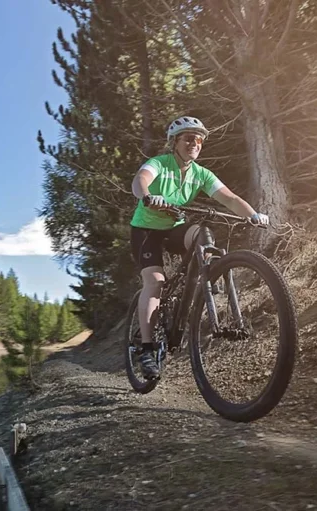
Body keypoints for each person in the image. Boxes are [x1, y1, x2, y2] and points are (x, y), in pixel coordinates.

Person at [129, 115, 270, 379]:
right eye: (188, 139)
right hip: (146, 230)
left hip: (174, 227)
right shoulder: (160, 163)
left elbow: (229, 198)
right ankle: (146, 349)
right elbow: (140, 180)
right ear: (174, 142)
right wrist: (148, 196)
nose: (194, 143)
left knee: (203, 234)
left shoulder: (201, 173)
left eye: (199, 140)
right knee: (155, 281)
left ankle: (206, 275)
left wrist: (253, 214)